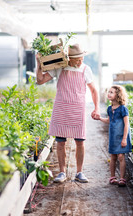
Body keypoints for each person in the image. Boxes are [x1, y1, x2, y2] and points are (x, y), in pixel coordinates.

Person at [36, 43, 100, 183]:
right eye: (77, 59)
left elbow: (94, 90)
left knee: (80, 142)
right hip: (61, 108)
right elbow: (40, 81)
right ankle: (62, 172)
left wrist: (96, 108)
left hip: (78, 109)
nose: (80, 61)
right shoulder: (59, 67)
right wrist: (38, 63)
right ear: (69, 59)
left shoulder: (85, 69)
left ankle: (79, 172)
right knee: (60, 143)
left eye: (81, 58)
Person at [94, 85, 132, 187]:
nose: (109, 94)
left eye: (112, 92)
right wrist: (100, 118)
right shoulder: (109, 109)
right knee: (113, 156)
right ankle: (112, 177)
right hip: (113, 136)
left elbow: (126, 124)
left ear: (118, 95)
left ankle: (122, 178)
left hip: (121, 136)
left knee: (121, 156)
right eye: (109, 92)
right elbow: (109, 120)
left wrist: (124, 138)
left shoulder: (123, 109)